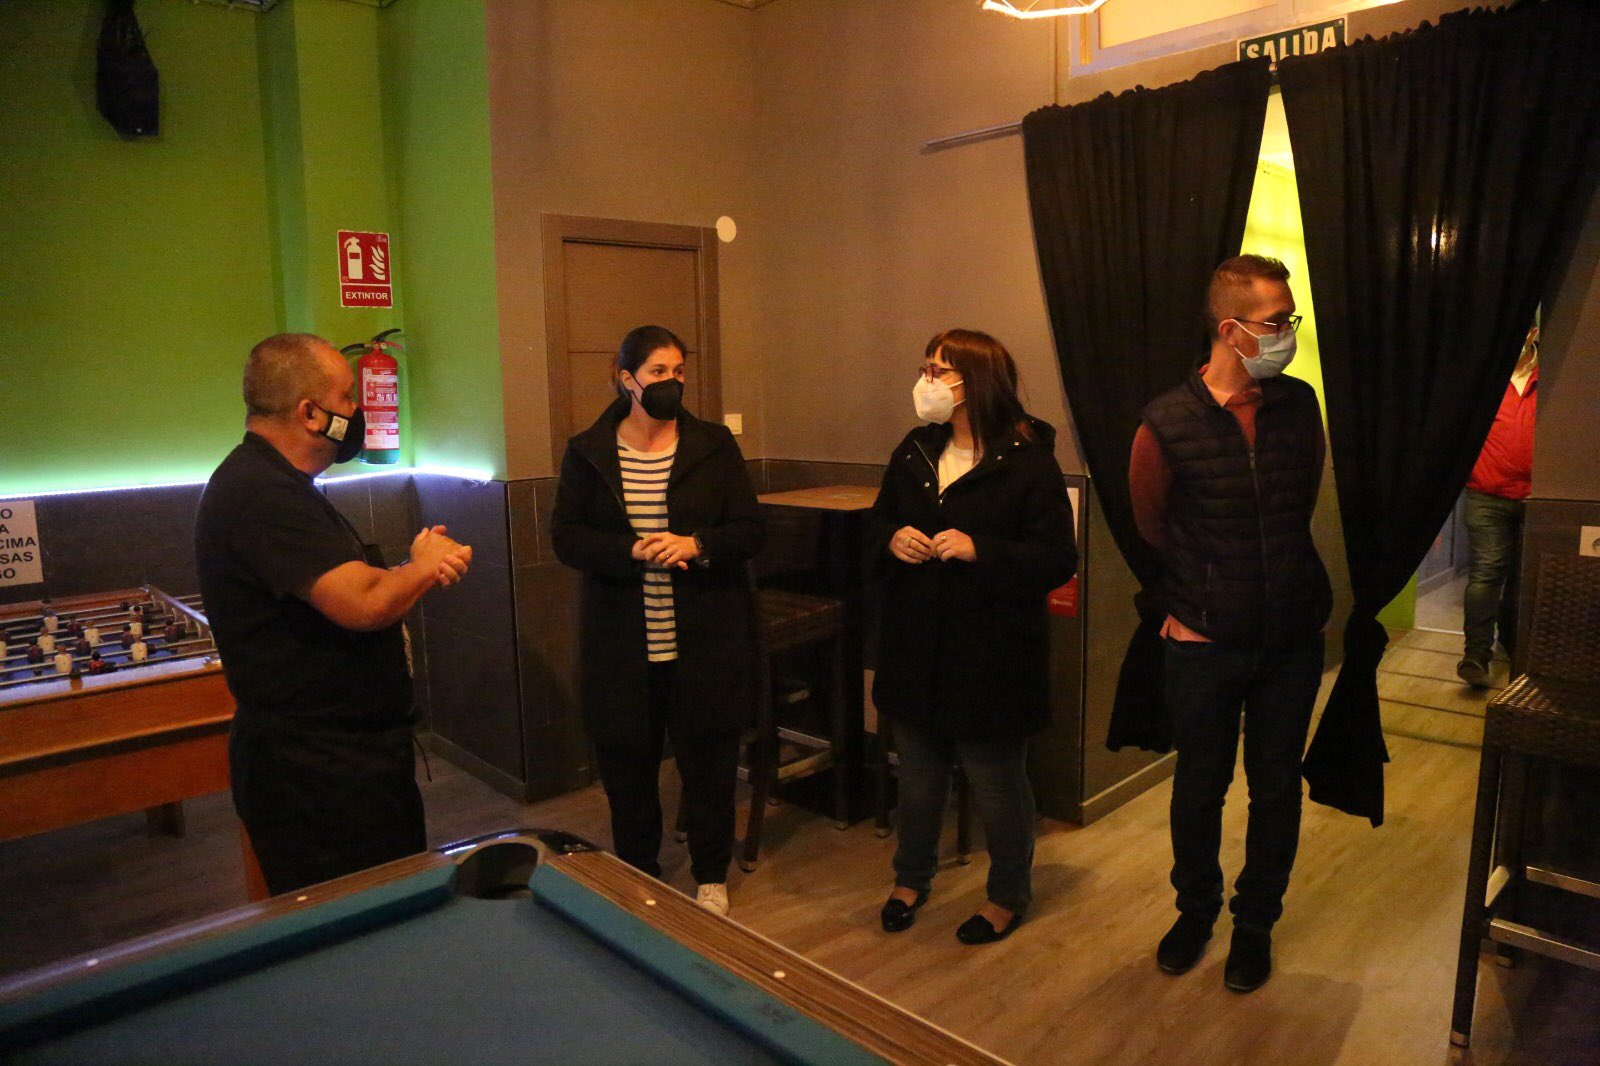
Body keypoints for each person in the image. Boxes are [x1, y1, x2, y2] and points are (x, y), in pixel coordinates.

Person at [195, 333, 472, 896]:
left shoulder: (281, 484)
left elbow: (349, 588)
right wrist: (424, 566)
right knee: (363, 921)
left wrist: (410, 571)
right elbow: (363, 602)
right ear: (310, 413)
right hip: (317, 776)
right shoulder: (262, 493)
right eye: (347, 398)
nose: (357, 410)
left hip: (344, 761)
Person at [1129, 255, 1331, 993]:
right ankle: (1195, 913)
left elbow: (1299, 501)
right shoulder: (1164, 422)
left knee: (1276, 790)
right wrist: (1206, 587)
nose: (1287, 334)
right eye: (1275, 323)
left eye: (1288, 319)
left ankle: (1255, 926)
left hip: (1290, 637)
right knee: (1199, 787)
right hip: (1204, 639)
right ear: (1230, 329)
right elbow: (1152, 524)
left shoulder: (1299, 406)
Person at [870, 328, 1077, 945]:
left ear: (975, 382)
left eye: (937, 371)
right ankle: (910, 880)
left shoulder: (1028, 459)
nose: (925, 382)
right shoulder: (916, 448)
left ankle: (1007, 895)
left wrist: (979, 548)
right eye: (925, 368)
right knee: (918, 776)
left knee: (997, 781)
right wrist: (891, 537)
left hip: (991, 653)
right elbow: (880, 519)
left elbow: (1057, 558)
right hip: (917, 644)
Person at [551, 325, 763, 917]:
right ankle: (637, 870)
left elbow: (750, 529)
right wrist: (628, 550)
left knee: (710, 762)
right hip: (622, 643)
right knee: (627, 766)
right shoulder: (588, 450)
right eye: (658, 372)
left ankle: (711, 874)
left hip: (703, 637)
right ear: (627, 379)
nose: (673, 382)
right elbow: (566, 537)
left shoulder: (713, 444)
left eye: (679, 371)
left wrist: (697, 544)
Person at [1458, 324, 1538, 687]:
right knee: (1487, 573)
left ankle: (1514, 646)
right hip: (1486, 495)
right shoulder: (1483, 377)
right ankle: (1476, 656)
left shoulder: (1553, 374)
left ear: (1532, 333)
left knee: (1524, 578)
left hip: (1538, 501)